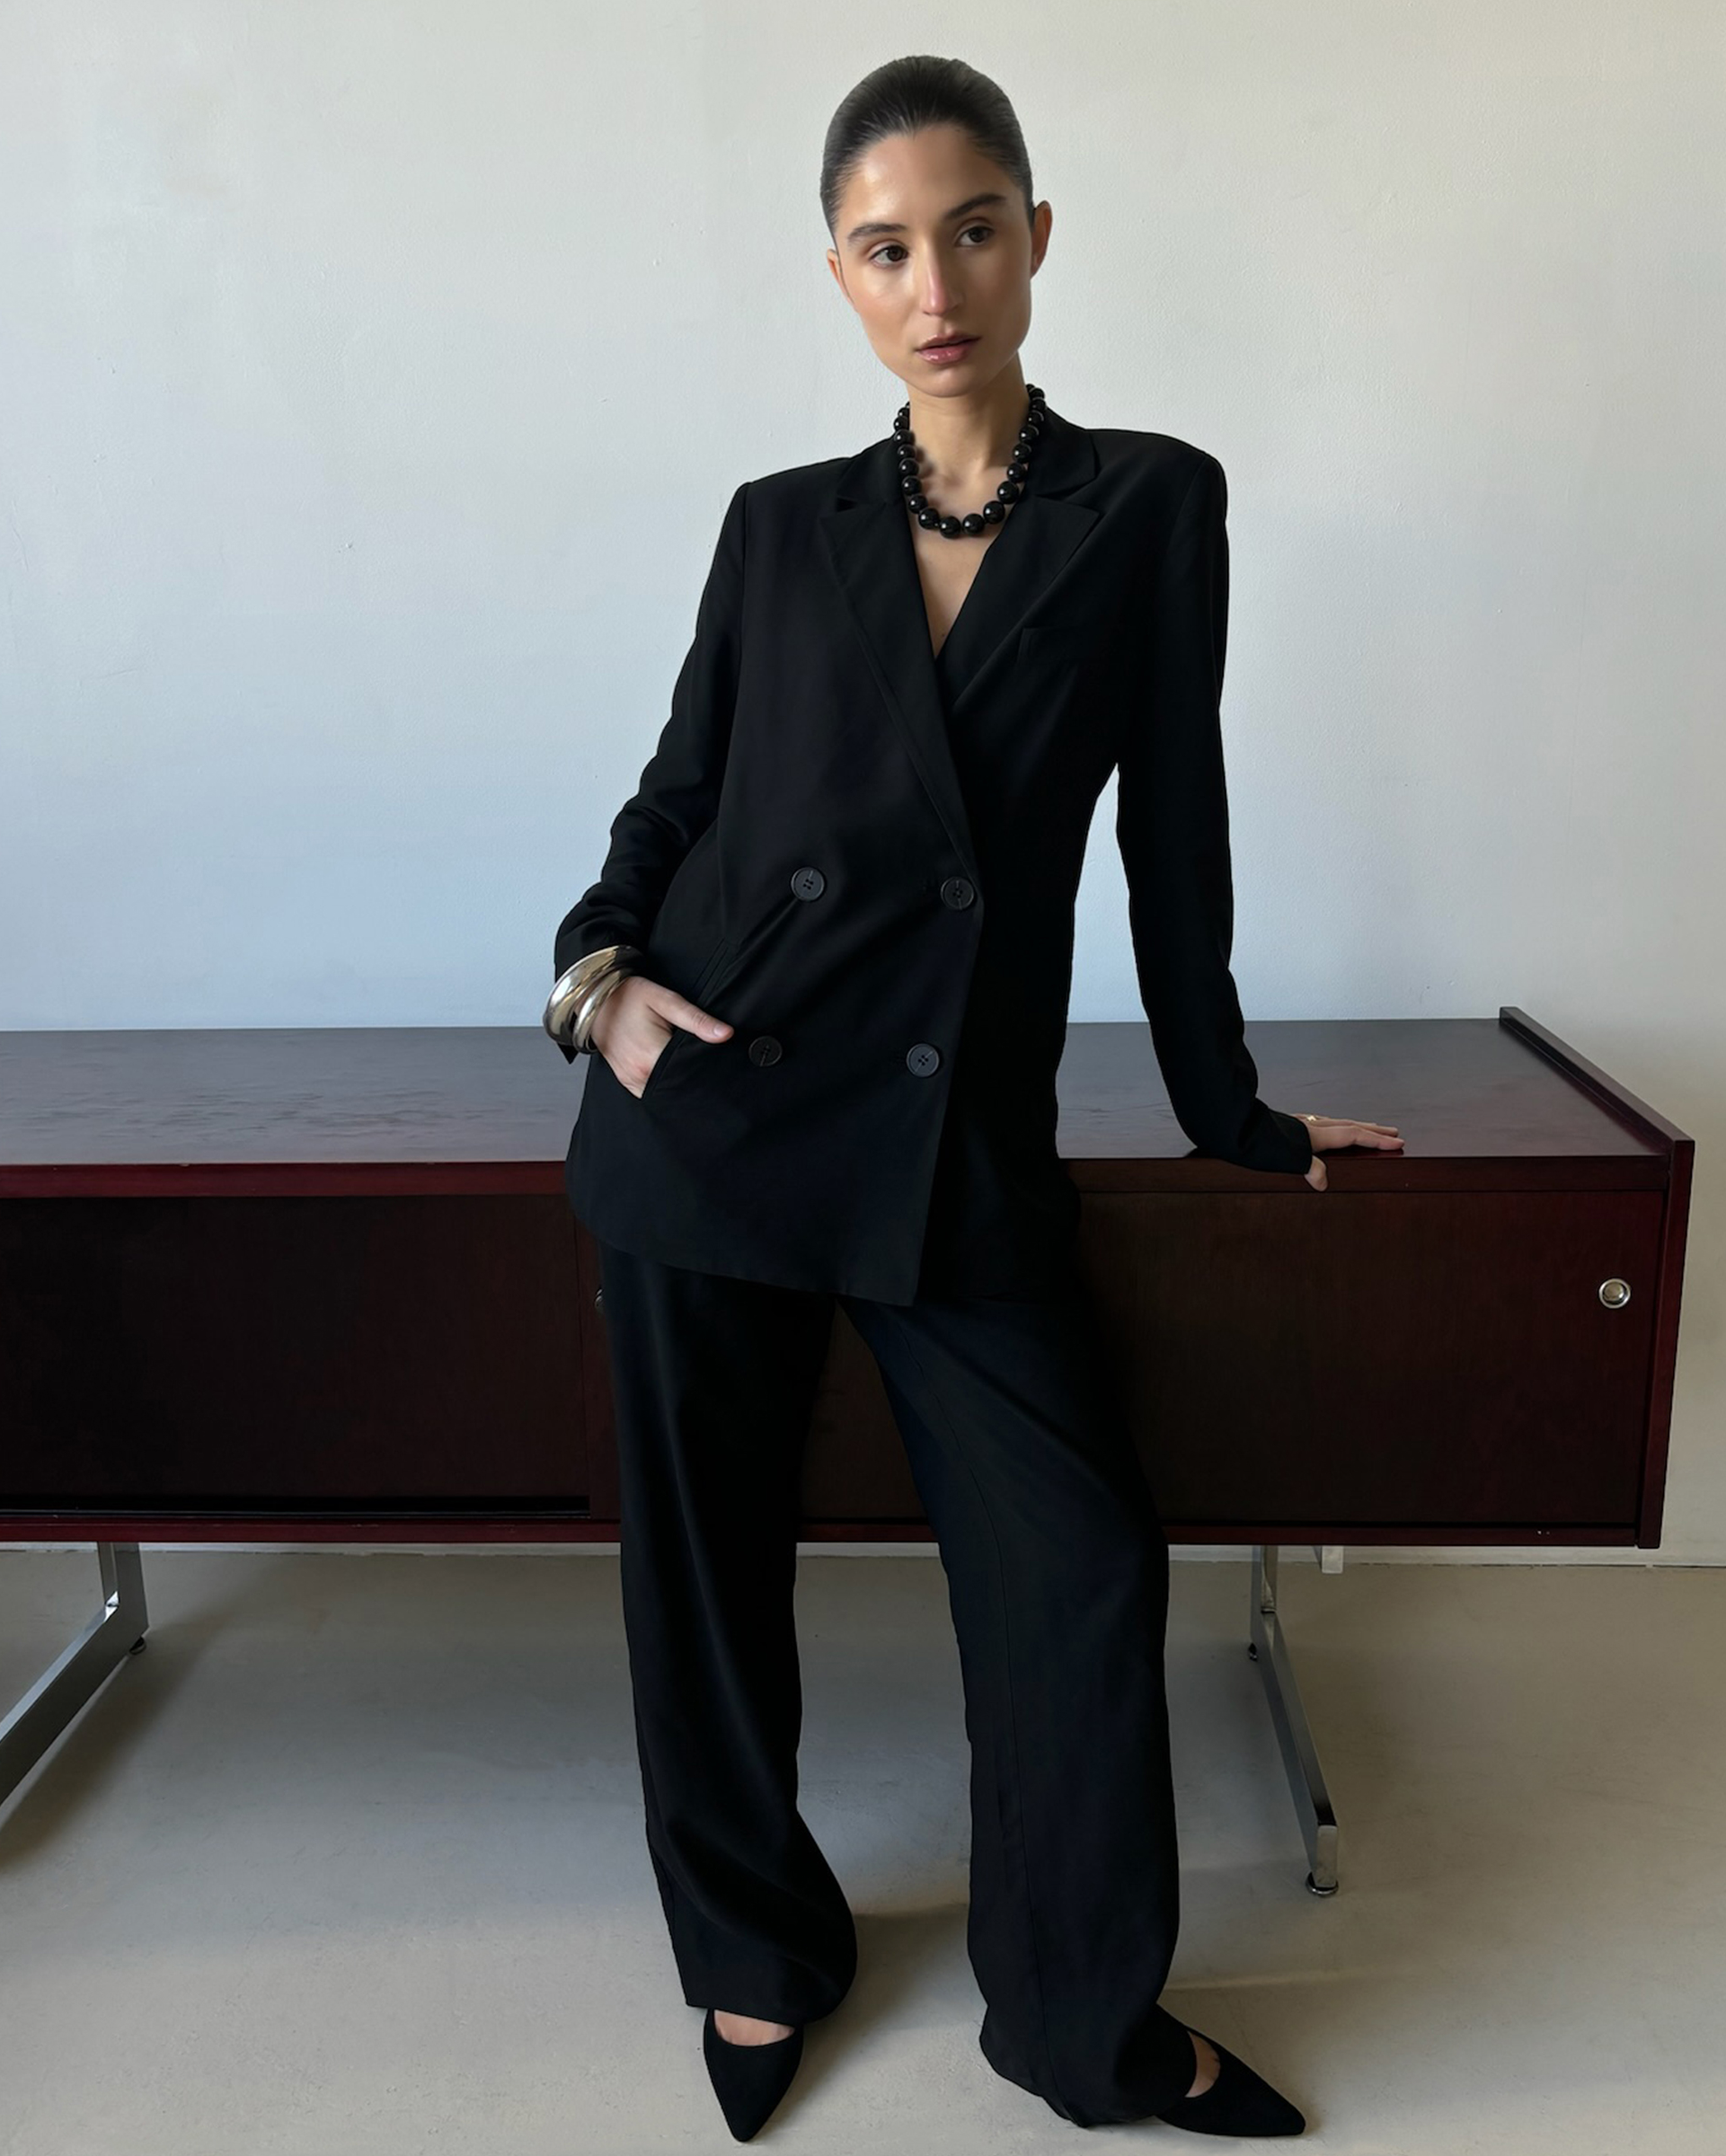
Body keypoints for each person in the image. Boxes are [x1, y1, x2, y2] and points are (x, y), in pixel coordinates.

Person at [545, 55, 1403, 2143]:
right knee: (702, 1580)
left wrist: (1230, 1108)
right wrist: (596, 988)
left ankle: (1077, 2027)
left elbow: (1171, 835)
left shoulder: (1146, 504)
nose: (933, 286)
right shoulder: (780, 525)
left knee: (1075, 1572)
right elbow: (674, 800)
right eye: (884, 248)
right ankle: (752, 1958)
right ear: (838, 274)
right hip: (710, 1111)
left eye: (971, 231)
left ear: (1035, 237)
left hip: (951, 1139)